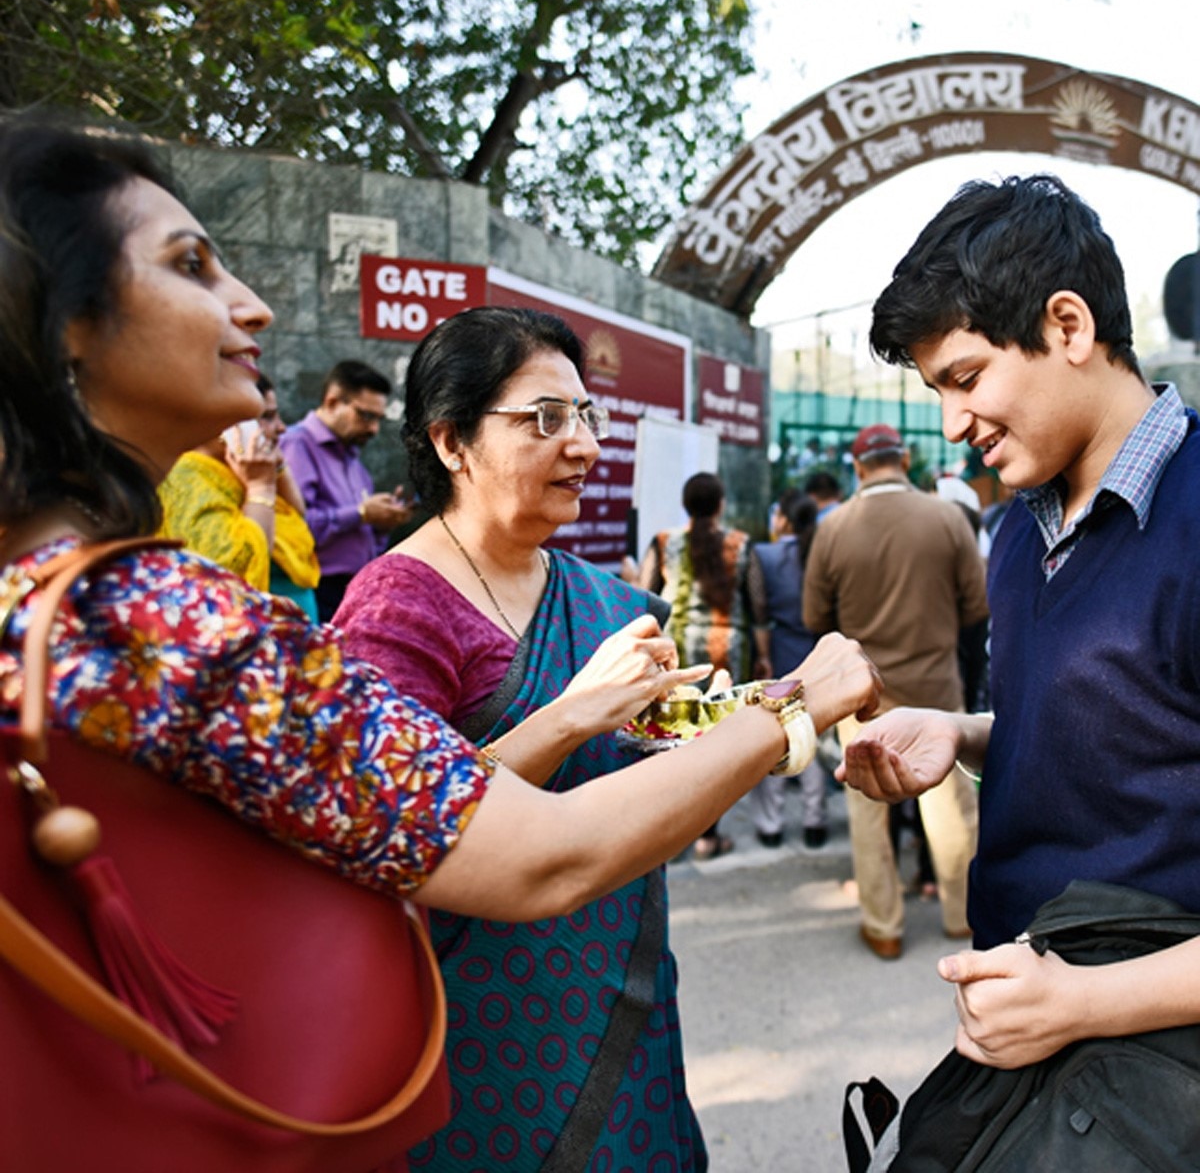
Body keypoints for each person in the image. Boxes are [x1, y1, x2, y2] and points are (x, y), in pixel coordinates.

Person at [0, 114, 881, 1168]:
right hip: (438, 1075)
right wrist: (792, 710)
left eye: (586, 416)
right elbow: (541, 855)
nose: (252, 304)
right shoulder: (162, 619)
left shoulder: (52, 599)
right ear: (63, 323)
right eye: (191, 265)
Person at [335, 306, 744, 1171]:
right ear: (452, 442)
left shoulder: (607, 600)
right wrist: (568, 716)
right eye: (546, 419)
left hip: (622, 999)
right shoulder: (397, 608)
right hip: (477, 1027)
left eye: (586, 416)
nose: (585, 446)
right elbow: (394, 838)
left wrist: (732, 724)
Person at [843, 171, 1200, 1069]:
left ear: (1068, 327)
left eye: (965, 378)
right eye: (937, 391)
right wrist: (963, 733)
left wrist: (1084, 1002)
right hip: (1033, 1063)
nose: (952, 423)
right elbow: (1134, 738)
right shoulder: (1015, 529)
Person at [804, 422, 988, 960]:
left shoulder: (835, 528)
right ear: (905, 461)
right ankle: (964, 915)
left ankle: (883, 927)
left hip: (861, 697)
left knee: (868, 813)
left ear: (858, 468)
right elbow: (977, 604)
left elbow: (814, 615)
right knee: (951, 809)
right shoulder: (947, 518)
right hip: (937, 685)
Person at [639, 470, 762, 860]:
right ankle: (708, 835)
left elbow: (645, 598)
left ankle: (671, 833)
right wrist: (764, 655)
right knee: (718, 741)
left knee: (674, 736)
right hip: (728, 651)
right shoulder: (741, 544)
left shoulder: (663, 543)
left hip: (677, 653)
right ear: (721, 505)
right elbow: (758, 603)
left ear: (686, 505)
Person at [158, 373, 321, 619]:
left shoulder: (239, 469)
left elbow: (297, 512)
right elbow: (239, 568)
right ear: (226, 422)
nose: (281, 427)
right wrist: (260, 487)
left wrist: (274, 468)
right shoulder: (187, 477)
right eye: (267, 417)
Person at [279, 358, 414, 620]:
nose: (374, 429)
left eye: (379, 419)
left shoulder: (351, 457)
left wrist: (382, 524)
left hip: (355, 589)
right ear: (332, 402)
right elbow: (293, 528)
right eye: (366, 416)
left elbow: (361, 536)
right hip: (317, 589)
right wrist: (362, 513)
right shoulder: (297, 445)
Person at [748, 488, 828, 848]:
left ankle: (771, 825)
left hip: (777, 654)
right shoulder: (822, 554)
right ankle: (815, 820)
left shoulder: (764, 555)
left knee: (775, 739)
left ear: (782, 519)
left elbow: (758, 609)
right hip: (816, 652)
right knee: (813, 734)